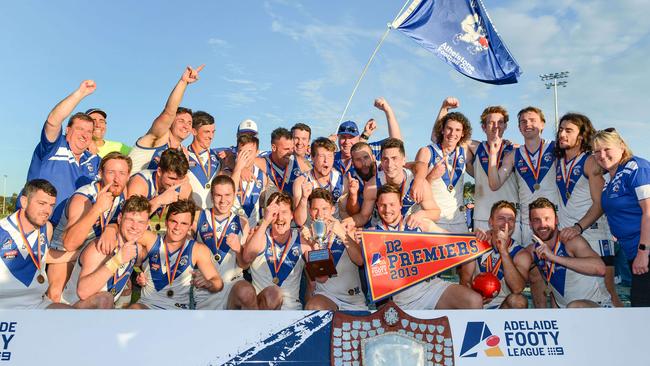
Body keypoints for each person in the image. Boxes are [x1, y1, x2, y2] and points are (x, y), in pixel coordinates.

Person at [363, 184, 483, 309]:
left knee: (473, 301)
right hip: (397, 299)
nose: (387, 210)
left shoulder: (419, 223)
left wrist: (474, 236)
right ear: (377, 205)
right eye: (383, 205)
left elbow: (453, 240)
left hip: (429, 289)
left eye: (392, 204)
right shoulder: (372, 234)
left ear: (400, 205)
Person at [0, 180, 112, 309]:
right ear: (24, 202)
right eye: (42, 203)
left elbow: (42, 255)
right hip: (4, 305)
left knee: (74, 318)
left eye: (51, 205)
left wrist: (81, 254)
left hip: (36, 304)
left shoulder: (46, 227)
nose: (47, 211)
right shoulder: (2, 230)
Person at [554, 113, 622, 306]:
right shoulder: (559, 161)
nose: (562, 134)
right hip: (570, 236)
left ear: (582, 136)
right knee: (575, 295)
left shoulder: (590, 160)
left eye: (569, 131)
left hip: (593, 234)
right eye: (560, 130)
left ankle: (624, 334)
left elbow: (600, 203)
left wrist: (578, 227)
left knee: (607, 294)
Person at [48, 152, 131, 302]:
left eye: (122, 173)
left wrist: (111, 228)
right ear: (100, 173)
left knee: (122, 286)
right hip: (64, 253)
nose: (117, 179)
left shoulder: (121, 192)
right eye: (111, 172)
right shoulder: (84, 198)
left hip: (92, 249)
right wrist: (96, 209)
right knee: (56, 296)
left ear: (128, 175)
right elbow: (69, 243)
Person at [25, 80, 100, 225]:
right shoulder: (54, 147)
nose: (85, 135)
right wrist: (81, 93)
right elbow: (53, 121)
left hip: (71, 231)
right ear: (67, 130)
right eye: (80, 129)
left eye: (89, 131)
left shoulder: (94, 160)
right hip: (37, 225)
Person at [486, 106, 559, 247]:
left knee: (556, 263)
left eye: (532, 120)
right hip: (528, 222)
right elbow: (494, 184)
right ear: (519, 127)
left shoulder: (555, 148)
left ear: (542, 124)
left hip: (553, 219)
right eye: (523, 122)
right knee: (530, 265)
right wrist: (493, 155)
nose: (527, 124)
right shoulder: (513, 155)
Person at [131, 199, 223, 309]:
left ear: (190, 227)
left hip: (178, 309)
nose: (177, 227)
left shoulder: (197, 249)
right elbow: (126, 229)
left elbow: (218, 283)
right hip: (148, 305)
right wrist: (111, 229)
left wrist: (209, 283)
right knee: (134, 309)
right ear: (166, 221)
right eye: (173, 221)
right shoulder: (151, 239)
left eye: (184, 223)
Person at [594, 128, 650, 307]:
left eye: (606, 149)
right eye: (596, 151)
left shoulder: (636, 167)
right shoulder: (610, 177)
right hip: (632, 251)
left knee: (641, 308)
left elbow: (649, 212)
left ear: (622, 147)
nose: (602, 155)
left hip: (645, 251)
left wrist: (644, 251)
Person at [64, 195, 150, 307]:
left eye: (141, 222)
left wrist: (143, 277)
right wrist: (118, 260)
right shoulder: (101, 248)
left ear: (146, 226)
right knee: (105, 298)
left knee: (127, 289)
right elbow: (83, 292)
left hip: (101, 312)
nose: (135, 227)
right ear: (119, 218)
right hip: (71, 310)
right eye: (130, 220)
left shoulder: (135, 249)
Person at [528, 197, 610, 308]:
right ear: (530, 224)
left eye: (547, 219)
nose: (542, 224)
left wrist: (554, 257)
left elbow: (600, 268)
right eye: (536, 220)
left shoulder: (571, 241)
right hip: (565, 312)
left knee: (574, 306)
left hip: (595, 307)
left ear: (556, 220)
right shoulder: (534, 249)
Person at [346, 138, 440, 228]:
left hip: (409, 229)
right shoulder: (372, 186)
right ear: (381, 161)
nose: (390, 164)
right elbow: (363, 217)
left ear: (403, 160)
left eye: (394, 158)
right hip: (382, 232)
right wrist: (346, 222)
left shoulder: (417, 182)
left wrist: (421, 214)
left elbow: (435, 212)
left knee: (427, 224)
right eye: (385, 159)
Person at [241, 192, 312, 310]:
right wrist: (265, 222)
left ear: (292, 215)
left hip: (291, 310)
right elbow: (246, 258)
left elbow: (322, 275)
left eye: (284, 212)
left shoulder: (302, 239)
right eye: (275, 213)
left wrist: (314, 244)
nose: (279, 218)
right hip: (262, 309)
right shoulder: (260, 236)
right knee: (273, 294)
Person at [128, 65, 203, 173]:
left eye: (189, 123)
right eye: (181, 121)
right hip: (131, 188)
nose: (186, 126)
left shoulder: (182, 153)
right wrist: (183, 82)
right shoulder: (157, 138)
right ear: (171, 122)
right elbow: (169, 112)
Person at [459, 201, 532, 309]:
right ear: (490, 222)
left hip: (502, 307)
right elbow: (465, 281)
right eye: (501, 218)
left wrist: (504, 251)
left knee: (519, 301)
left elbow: (517, 289)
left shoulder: (521, 254)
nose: (506, 224)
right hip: (475, 303)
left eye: (510, 219)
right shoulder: (476, 244)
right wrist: (476, 297)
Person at [193, 175, 251, 309]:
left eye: (227, 195)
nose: (223, 200)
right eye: (218, 195)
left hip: (233, 285)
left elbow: (244, 265)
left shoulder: (242, 222)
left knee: (247, 293)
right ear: (212, 196)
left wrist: (238, 249)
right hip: (206, 284)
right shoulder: (197, 217)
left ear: (234, 194)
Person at [302, 189, 366, 310]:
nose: (320, 214)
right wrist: (314, 244)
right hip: (327, 298)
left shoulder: (347, 229)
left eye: (324, 209)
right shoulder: (307, 236)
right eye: (315, 209)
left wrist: (342, 234)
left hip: (353, 300)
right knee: (313, 306)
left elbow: (360, 261)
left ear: (333, 209)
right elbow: (321, 277)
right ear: (310, 211)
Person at [413, 109, 473, 232]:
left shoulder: (465, 152)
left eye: (457, 130)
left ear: (463, 133)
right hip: (433, 222)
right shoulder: (426, 152)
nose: (452, 133)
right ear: (442, 130)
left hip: (458, 222)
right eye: (449, 128)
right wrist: (431, 177)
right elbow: (415, 190)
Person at [334, 98, 402, 176]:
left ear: (358, 138)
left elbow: (397, 143)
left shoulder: (368, 150)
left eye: (351, 137)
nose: (347, 142)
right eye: (343, 137)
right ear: (338, 138)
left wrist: (387, 111)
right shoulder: (330, 157)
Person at [127, 148, 192, 230]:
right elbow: (130, 219)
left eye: (180, 179)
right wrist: (159, 200)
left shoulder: (183, 187)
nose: (175, 184)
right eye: (172, 178)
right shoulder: (140, 183)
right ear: (159, 172)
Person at [293, 137, 344, 225]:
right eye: (321, 156)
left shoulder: (341, 180)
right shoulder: (301, 182)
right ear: (312, 158)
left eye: (329, 156)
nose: (326, 161)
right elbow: (299, 221)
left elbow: (345, 213)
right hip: (310, 231)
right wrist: (304, 198)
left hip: (334, 231)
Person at [186, 111, 223, 209]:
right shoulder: (182, 156)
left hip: (213, 218)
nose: (211, 136)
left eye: (213, 132)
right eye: (207, 132)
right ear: (194, 131)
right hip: (191, 216)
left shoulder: (219, 156)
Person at [231, 134, 267, 228]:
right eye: (242, 151)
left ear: (257, 152)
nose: (245, 155)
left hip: (251, 230)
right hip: (231, 228)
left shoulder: (262, 175)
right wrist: (238, 169)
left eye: (249, 151)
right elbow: (230, 194)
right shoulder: (227, 173)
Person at [261, 128, 309, 198]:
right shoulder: (263, 160)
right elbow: (247, 163)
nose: (290, 152)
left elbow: (315, 171)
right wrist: (244, 169)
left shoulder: (302, 161)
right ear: (274, 148)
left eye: (292, 148)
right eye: (286, 149)